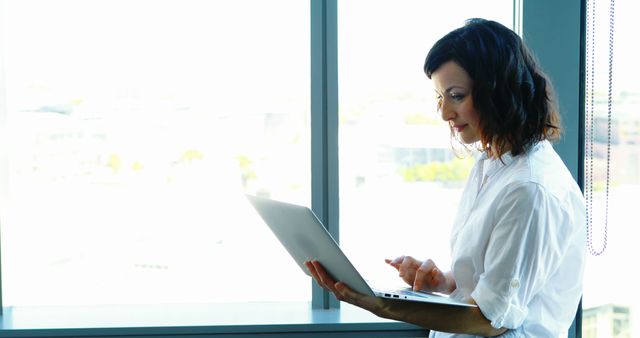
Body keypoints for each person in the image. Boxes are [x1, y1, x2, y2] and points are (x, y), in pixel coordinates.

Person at [304, 18, 585, 337]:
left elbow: (491, 319)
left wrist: (381, 305)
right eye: (440, 97)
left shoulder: (531, 189)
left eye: (456, 95)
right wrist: (444, 281)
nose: (444, 113)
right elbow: (494, 280)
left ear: (498, 91)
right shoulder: (492, 163)